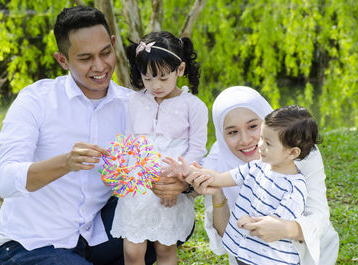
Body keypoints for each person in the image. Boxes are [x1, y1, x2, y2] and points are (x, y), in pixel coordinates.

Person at [0, 6, 185, 265]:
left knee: (173, 214)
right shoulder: (36, 100)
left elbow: (170, 153)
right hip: (34, 242)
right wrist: (65, 163)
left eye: (106, 52)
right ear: (62, 60)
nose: (100, 66)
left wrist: (180, 185)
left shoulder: (135, 106)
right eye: (85, 58)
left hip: (95, 236)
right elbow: (4, 181)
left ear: (113, 44)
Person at [192, 86, 338, 265]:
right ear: (221, 135)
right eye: (232, 132)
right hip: (247, 255)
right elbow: (225, 232)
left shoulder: (301, 153)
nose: (246, 140)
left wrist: (284, 229)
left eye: (253, 126)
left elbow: (319, 216)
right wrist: (217, 191)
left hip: (302, 253)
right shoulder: (219, 160)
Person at [166, 105, 321, 265]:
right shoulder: (257, 166)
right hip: (245, 252)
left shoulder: (294, 187)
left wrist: (249, 221)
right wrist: (189, 170)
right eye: (261, 138)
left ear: (292, 152)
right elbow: (219, 178)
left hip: (270, 259)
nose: (260, 145)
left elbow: (275, 225)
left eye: (268, 143)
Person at [109, 31, 208, 265]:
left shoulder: (193, 106)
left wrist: (177, 175)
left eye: (163, 78)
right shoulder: (135, 102)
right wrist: (120, 169)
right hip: (138, 185)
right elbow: (128, 141)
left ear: (180, 70)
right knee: (132, 250)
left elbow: (197, 149)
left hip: (169, 187)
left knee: (165, 248)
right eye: (148, 78)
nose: (155, 85)